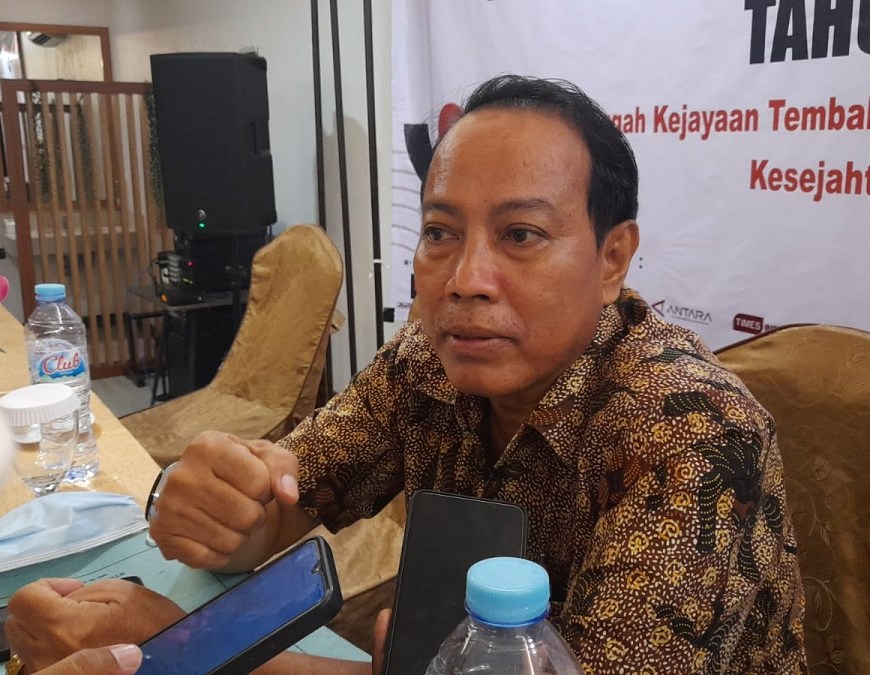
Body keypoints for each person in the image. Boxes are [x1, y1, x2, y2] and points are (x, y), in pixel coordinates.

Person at [4, 74, 806, 673]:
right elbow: (293, 495)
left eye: (521, 235)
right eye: (440, 232)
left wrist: (179, 649)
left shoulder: (696, 432)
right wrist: (232, 513)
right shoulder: (429, 362)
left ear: (612, 258)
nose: (466, 279)